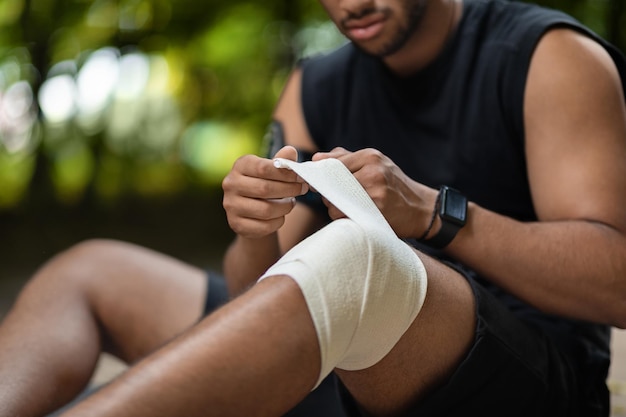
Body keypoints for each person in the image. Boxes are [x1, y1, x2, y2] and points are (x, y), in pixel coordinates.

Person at [1, 0, 626, 415]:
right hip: (339, 375)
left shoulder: (547, 56)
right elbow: (263, 292)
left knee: (358, 256)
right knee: (90, 270)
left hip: (520, 382)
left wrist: (436, 213)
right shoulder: (316, 83)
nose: (349, 4)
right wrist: (255, 229)